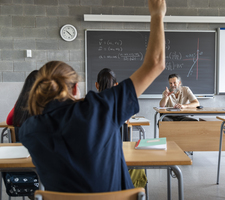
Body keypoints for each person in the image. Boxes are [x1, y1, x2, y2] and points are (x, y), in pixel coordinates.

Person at [19, 0, 166, 193]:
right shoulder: (101, 107)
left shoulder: (28, 131)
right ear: (74, 89)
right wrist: (157, 14)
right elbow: (156, 63)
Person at [96, 68, 147, 188]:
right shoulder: (123, 109)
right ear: (116, 85)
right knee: (139, 168)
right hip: (118, 165)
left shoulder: (87, 109)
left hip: (97, 167)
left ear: (96, 85)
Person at [4, 70, 39, 198]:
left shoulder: (23, 102)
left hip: (23, 152)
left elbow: (9, 120)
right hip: (42, 157)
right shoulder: (48, 104)